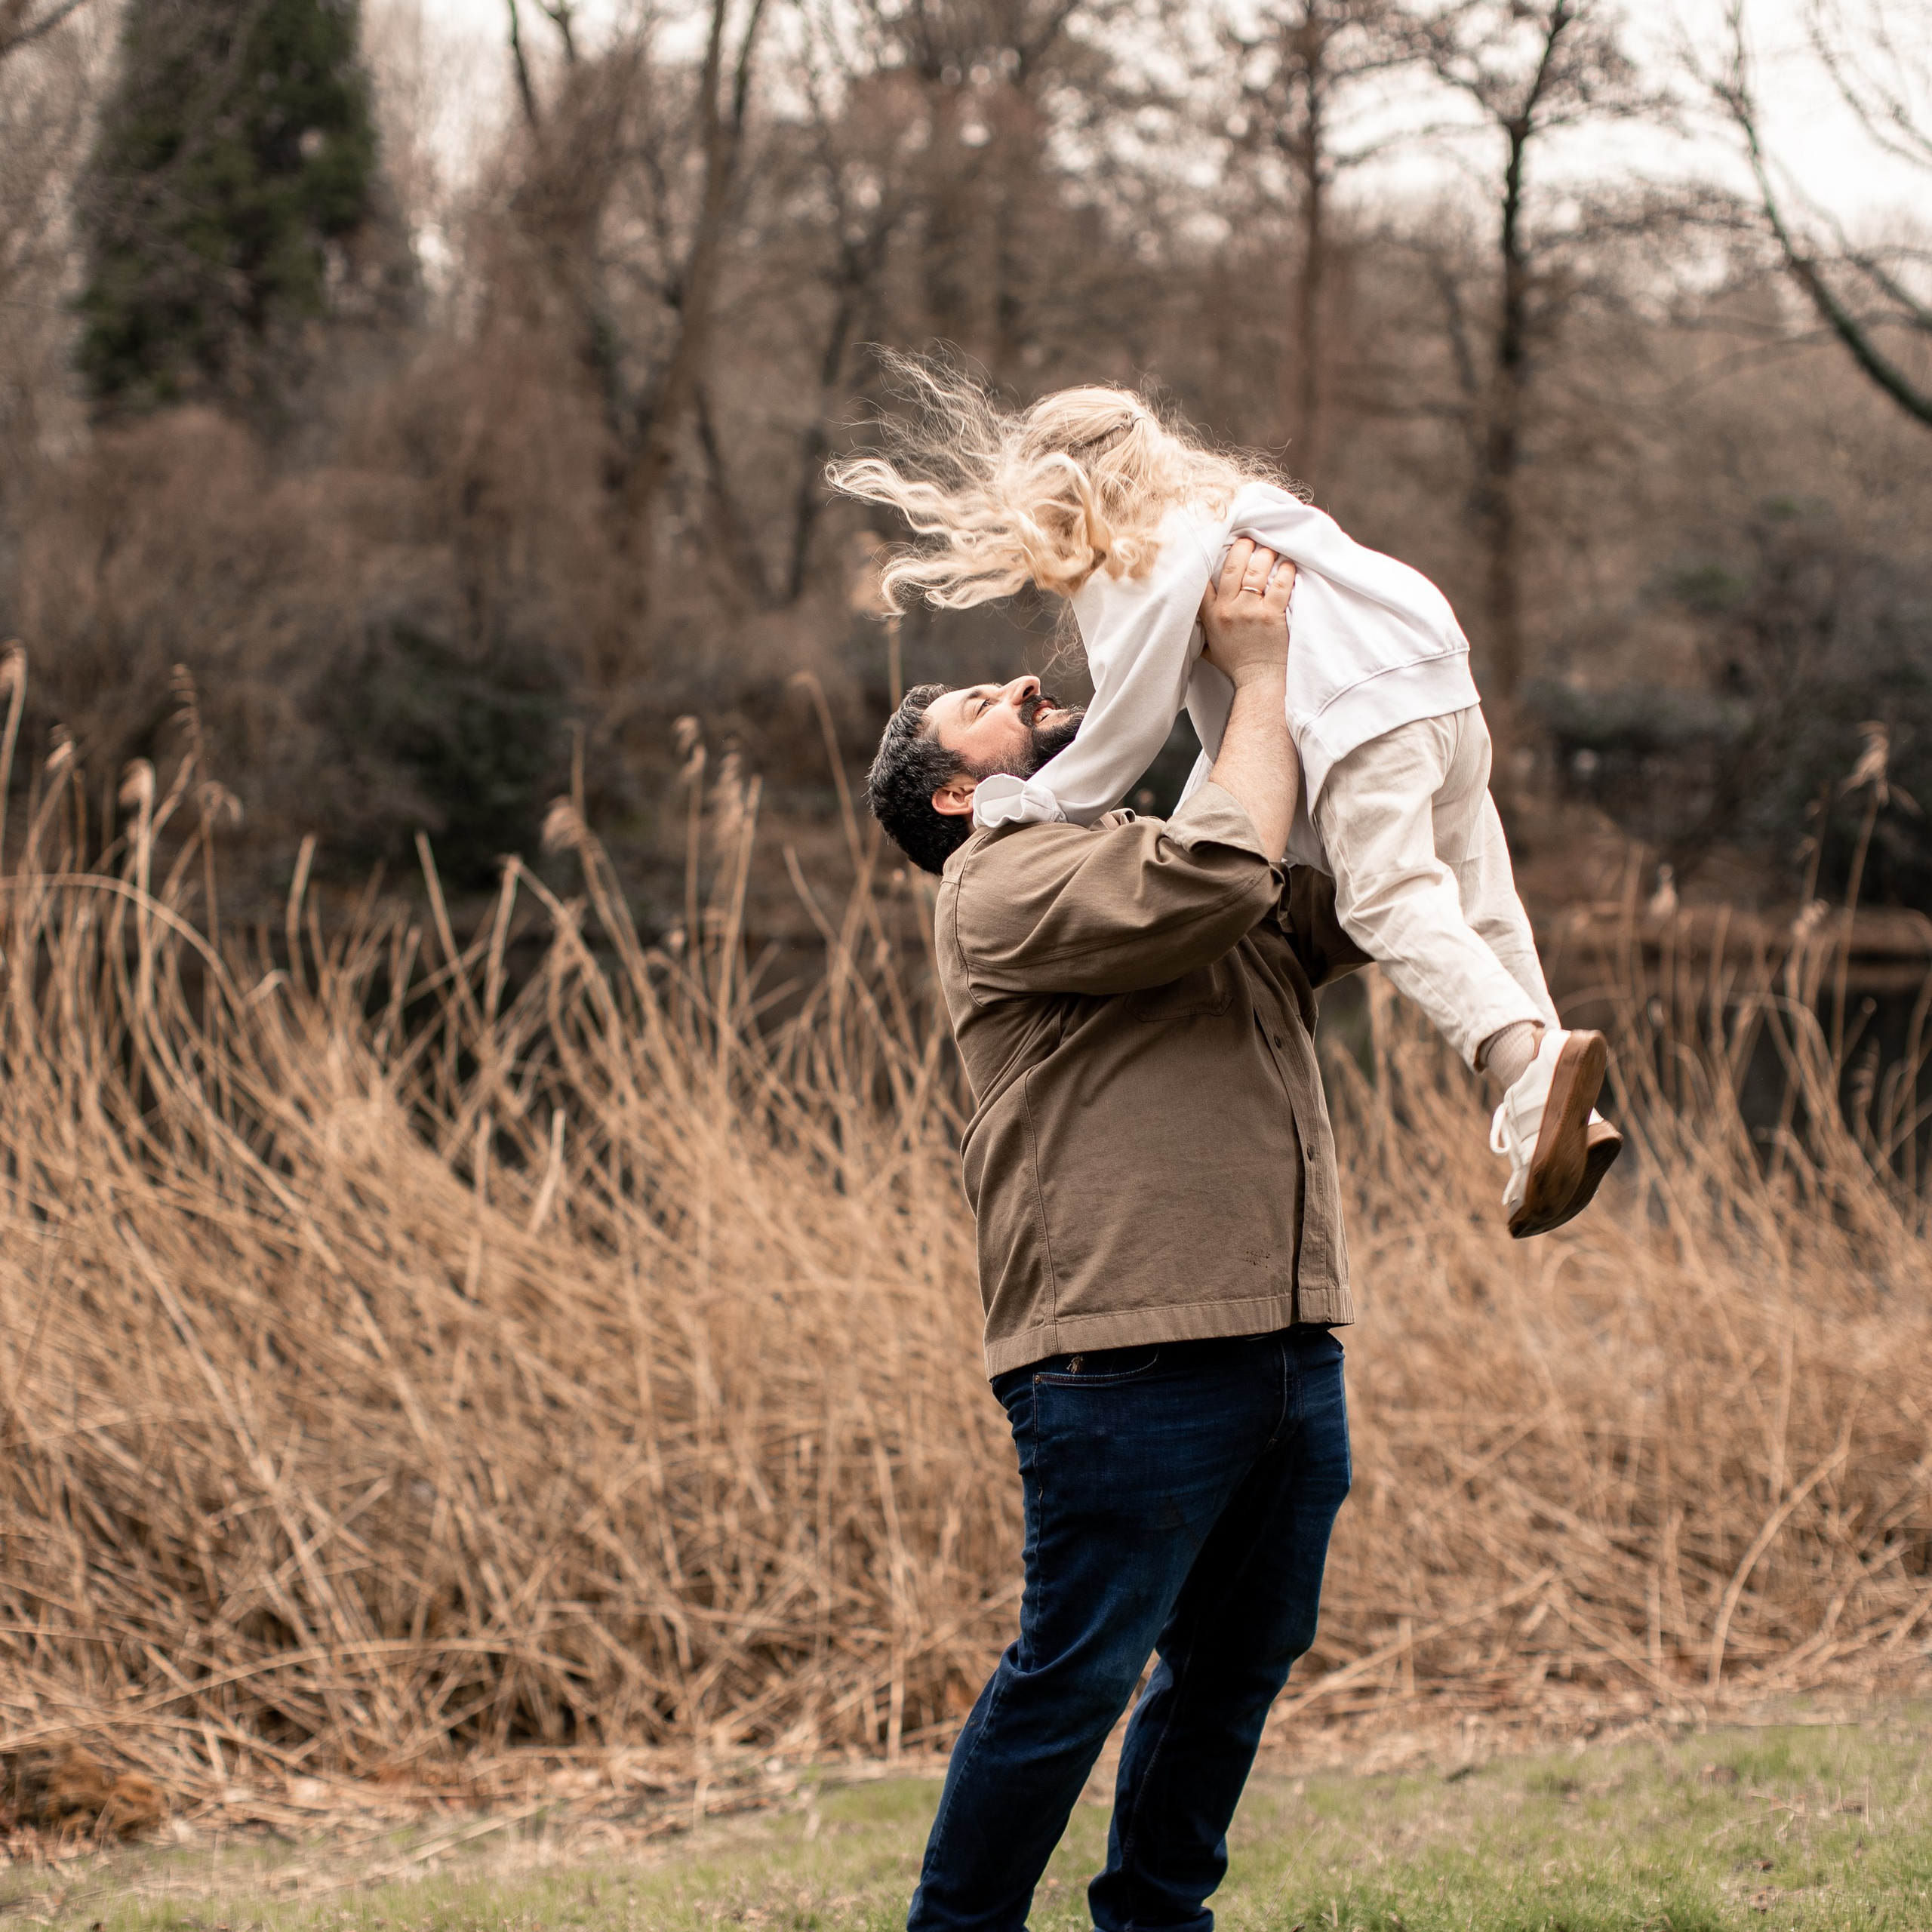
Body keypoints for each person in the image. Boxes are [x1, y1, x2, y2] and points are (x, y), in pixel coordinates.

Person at [832, 363, 1620, 1236]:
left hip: (1357, 712)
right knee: (1485, 906)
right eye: (979, 706)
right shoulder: (1223, 503)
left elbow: (1127, 728)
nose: (1017, 683)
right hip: (1435, 680)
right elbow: (1222, 768)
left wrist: (1032, 801)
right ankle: (1554, 1120)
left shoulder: (1139, 564)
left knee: (1388, 895)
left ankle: (1526, 1064)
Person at [863, 544, 1349, 1932]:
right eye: (980, 704)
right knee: (1073, 1676)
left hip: (1284, 1333)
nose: (1024, 684)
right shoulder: (999, 879)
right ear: (957, 796)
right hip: (1123, 1355)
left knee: (1236, 1667)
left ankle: (1154, 1921)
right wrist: (1256, 671)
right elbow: (1222, 880)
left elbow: (1312, 911)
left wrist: (1361, 733)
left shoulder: (1144, 855)